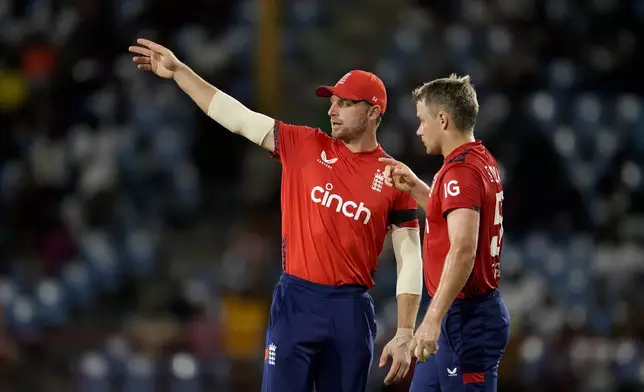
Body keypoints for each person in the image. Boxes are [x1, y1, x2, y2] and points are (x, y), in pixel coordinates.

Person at [128, 38, 424, 392]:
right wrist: (180, 73)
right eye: (332, 102)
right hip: (296, 301)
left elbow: (410, 256)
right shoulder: (303, 144)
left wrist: (406, 331)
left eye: (344, 104)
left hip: (350, 310)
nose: (332, 110)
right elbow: (238, 117)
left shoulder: (394, 176)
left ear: (374, 112)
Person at [380, 74, 511, 392]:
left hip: (467, 319)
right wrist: (418, 189)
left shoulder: (459, 172)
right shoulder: (478, 159)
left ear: (443, 119)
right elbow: (451, 216)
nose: (419, 129)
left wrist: (432, 319)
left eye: (422, 120)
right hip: (460, 311)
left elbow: (463, 249)